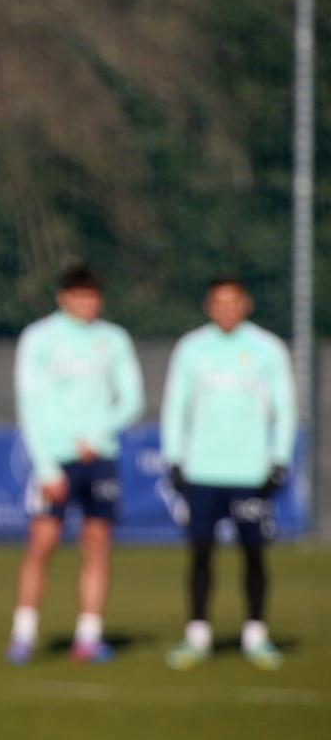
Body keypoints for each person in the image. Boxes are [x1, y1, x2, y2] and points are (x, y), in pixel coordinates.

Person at [7, 265, 144, 665]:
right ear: (62, 297)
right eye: (79, 296)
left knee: (97, 544)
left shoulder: (113, 339)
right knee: (42, 543)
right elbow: (29, 404)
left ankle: (88, 636)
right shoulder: (39, 337)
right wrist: (47, 465)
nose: (87, 304)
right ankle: (24, 634)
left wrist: (98, 436)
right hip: (55, 459)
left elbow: (131, 400)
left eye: (93, 297)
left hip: (99, 457)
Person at [161, 278, 296, 671]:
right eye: (219, 302)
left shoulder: (267, 349)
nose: (227, 309)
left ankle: (256, 634)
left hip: (250, 473)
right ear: (208, 306)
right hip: (202, 471)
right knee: (200, 553)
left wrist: (278, 459)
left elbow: (285, 408)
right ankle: (197, 636)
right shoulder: (191, 348)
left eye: (234, 302)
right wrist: (174, 458)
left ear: (246, 305)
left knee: (253, 553)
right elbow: (175, 406)